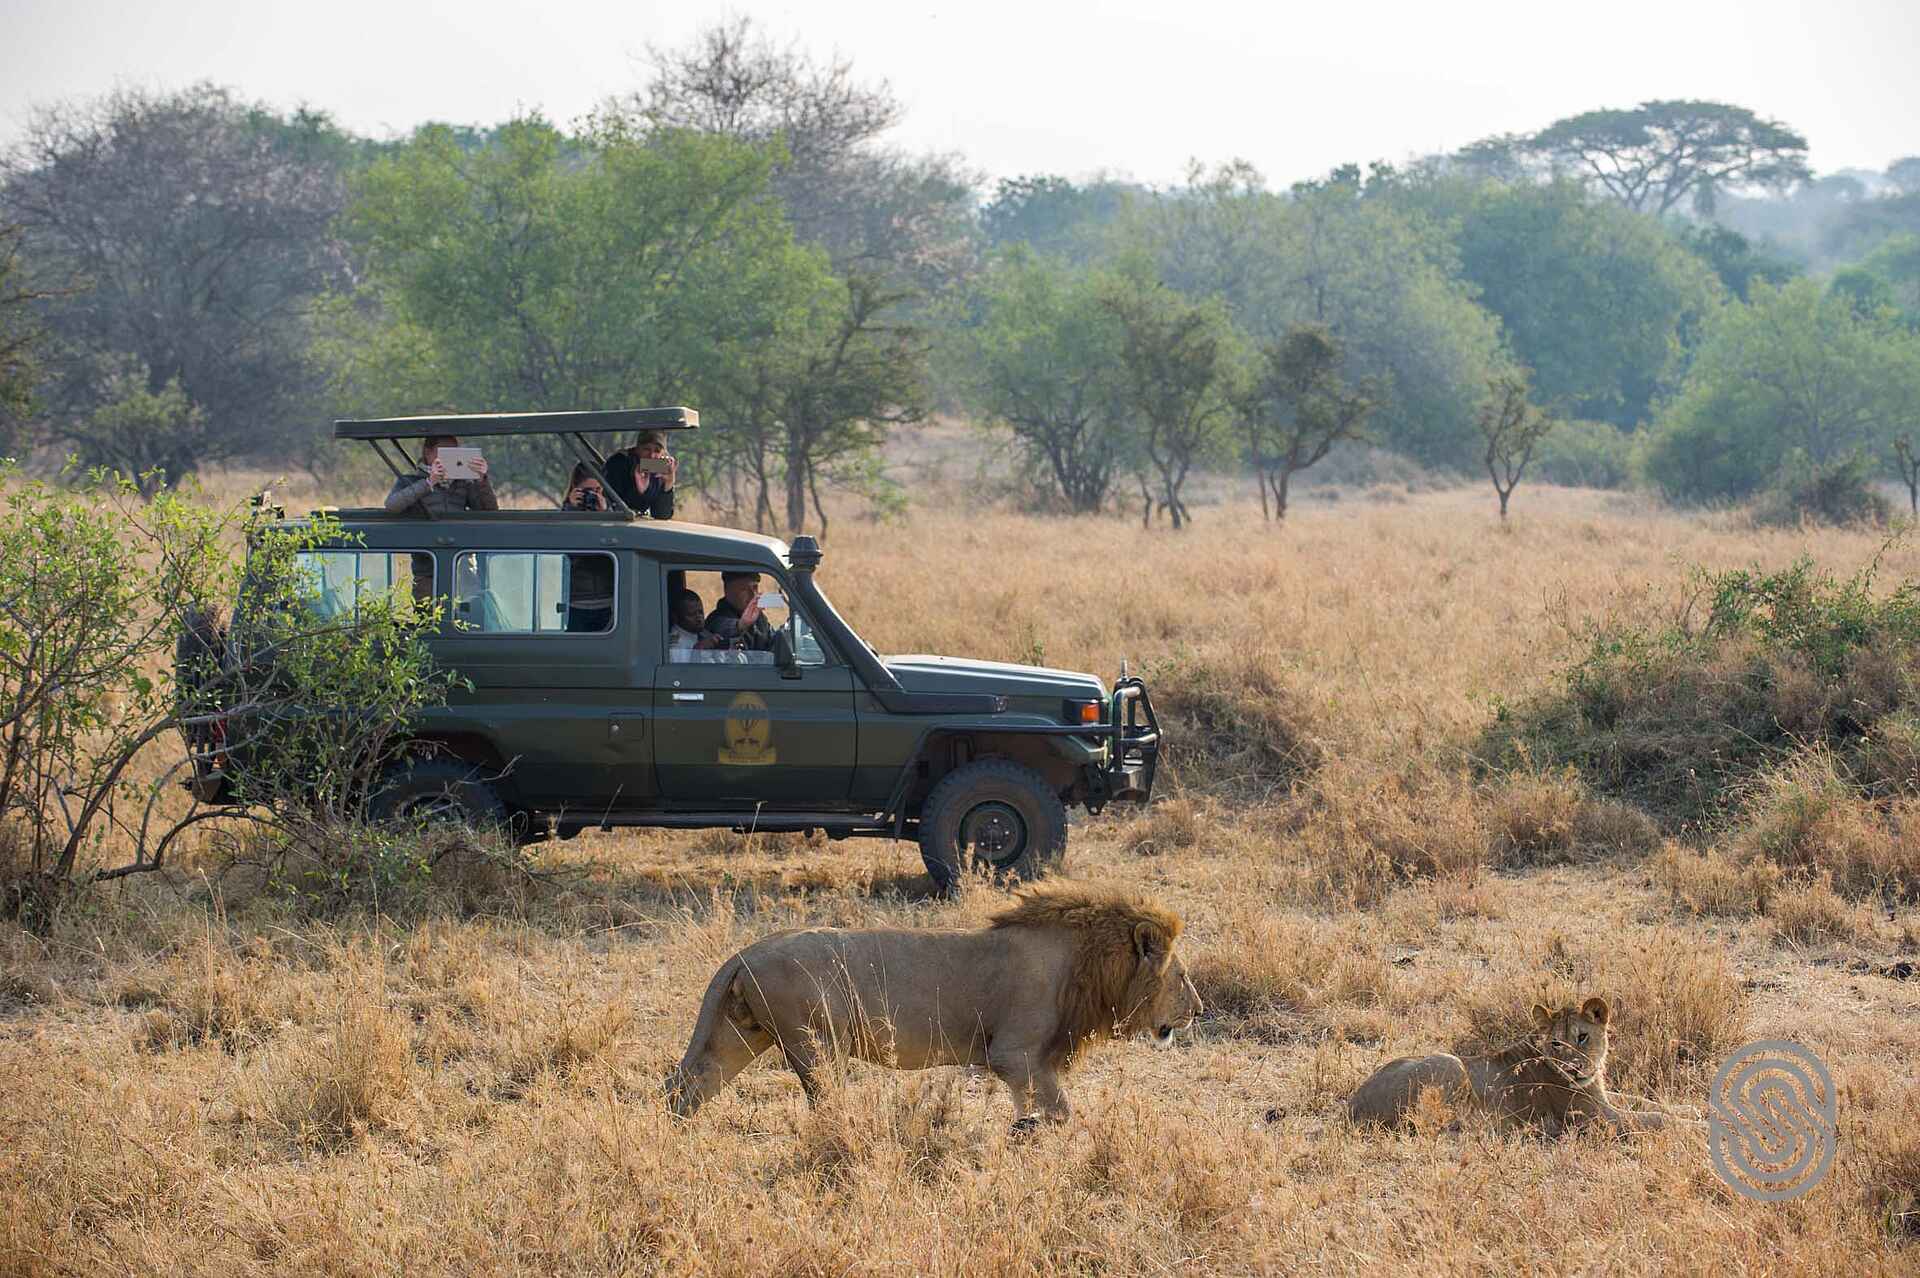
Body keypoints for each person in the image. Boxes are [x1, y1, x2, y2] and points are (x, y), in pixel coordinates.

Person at [385, 434, 498, 518]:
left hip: (458, 543)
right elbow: (392, 506)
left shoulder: (462, 483)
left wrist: (482, 479)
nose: (451, 456)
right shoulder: (410, 481)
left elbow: (490, 511)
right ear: (428, 453)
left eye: (454, 451)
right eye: (444, 451)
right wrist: (429, 482)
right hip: (424, 543)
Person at [604, 430, 677, 519]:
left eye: (657, 451)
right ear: (637, 448)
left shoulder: (659, 469)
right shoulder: (620, 463)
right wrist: (639, 490)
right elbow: (618, 508)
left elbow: (662, 515)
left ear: (663, 453)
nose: (651, 456)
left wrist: (668, 485)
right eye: (646, 449)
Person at [705, 571, 776, 652]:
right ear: (728, 591)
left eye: (755, 587)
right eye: (744, 589)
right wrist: (741, 624)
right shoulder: (716, 619)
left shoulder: (759, 617)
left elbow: (771, 640)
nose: (753, 594)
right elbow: (726, 628)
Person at [668, 589, 711, 653]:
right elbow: (680, 663)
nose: (699, 618)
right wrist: (697, 650)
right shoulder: (676, 644)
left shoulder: (702, 633)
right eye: (692, 614)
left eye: (700, 612)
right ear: (676, 617)